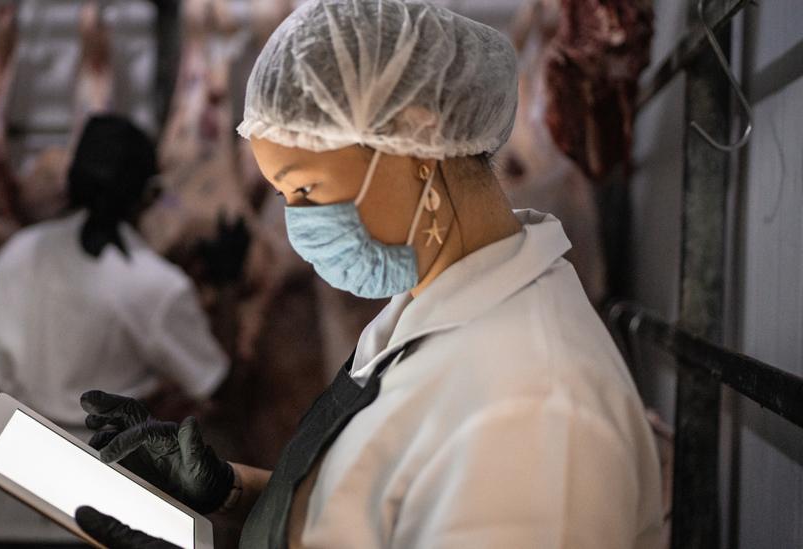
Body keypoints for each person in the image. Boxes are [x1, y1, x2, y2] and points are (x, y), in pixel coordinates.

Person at [72, 2, 663, 548]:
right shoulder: (433, 305)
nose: (298, 228)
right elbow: (377, 512)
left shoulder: (535, 414)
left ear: (420, 139)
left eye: (306, 189)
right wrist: (231, 491)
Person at [0, 115, 229, 548]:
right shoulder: (155, 284)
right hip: (100, 506)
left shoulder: (17, 253)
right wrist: (224, 292)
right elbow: (217, 385)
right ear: (149, 193)